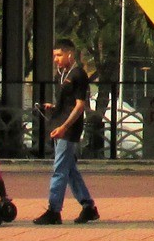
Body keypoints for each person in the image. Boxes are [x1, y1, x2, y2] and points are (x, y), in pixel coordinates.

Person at [34, 39, 100, 225]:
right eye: (54, 55)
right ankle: (88, 207)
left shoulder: (78, 74)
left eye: (59, 55)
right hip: (58, 124)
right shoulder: (62, 75)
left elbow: (79, 106)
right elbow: (67, 102)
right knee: (69, 169)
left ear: (70, 54)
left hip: (68, 129)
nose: (56, 59)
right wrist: (53, 107)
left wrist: (64, 127)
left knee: (60, 169)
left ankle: (54, 210)